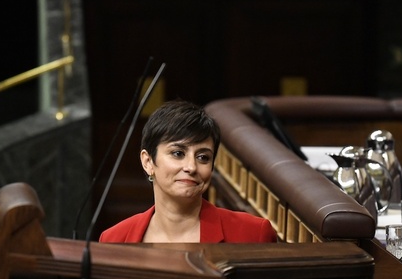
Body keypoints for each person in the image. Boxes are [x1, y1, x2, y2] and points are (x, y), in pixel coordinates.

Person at [99, 100, 277, 243]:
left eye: (203, 157)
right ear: (148, 162)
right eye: (178, 153)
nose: (191, 167)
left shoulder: (253, 233)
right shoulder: (114, 239)